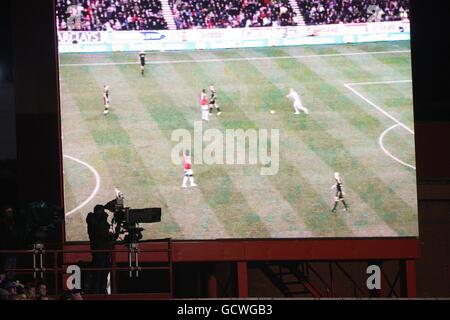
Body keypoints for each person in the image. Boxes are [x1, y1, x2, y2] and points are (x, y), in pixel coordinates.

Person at [86, 205, 113, 294]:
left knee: (104, 273)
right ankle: (96, 292)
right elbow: (100, 230)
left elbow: (104, 233)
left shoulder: (97, 220)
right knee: (98, 273)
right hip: (99, 251)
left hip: (105, 251)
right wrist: (104, 216)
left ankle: (102, 291)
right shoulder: (92, 220)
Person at [0, 206, 19, 281]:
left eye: (11, 212)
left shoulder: (14, 222)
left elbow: (16, 235)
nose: (10, 213)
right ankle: (6, 282)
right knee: (6, 268)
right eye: (8, 212)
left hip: (14, 249)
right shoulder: (2, 223)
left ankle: (12, 281)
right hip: (5, 250)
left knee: (13, 268)